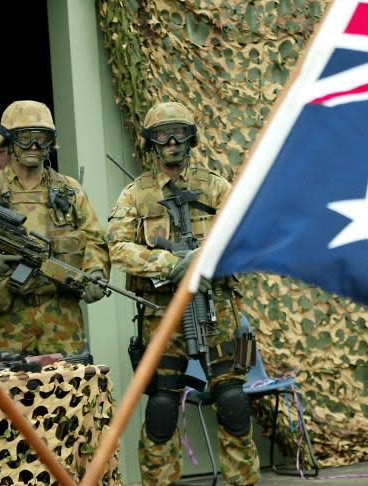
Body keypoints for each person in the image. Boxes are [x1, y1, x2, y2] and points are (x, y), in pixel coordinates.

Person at [106, 101, 260, 486]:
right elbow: (117, 247)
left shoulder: (215, 186)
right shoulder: (136, 195)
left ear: (190, 139)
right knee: (161, 408)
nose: (172, 142)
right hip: (161, 315)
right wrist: (169, 265)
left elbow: (246, 238)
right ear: (151, 143)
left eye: (179, 134)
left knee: (233, 403)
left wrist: (206, 264)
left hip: (217, 310)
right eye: (162, 135)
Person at [0, 100, 110, 356]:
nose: (34, 145)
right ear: (8, 141)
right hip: (6, 322)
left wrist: (96, 273)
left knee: (67, 392)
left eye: (42, 138)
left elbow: (94, 239)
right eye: (25, 138)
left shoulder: (70, 190)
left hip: (62, 321)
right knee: (5, 393)